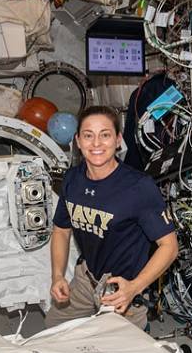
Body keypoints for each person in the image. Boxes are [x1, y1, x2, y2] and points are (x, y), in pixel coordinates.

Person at [45, 106, 179, 329]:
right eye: (88, 135)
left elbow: (169, 247)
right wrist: (58, 276)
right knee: (52, 334)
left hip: (122, 290)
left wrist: (135, 287)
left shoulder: (138, 187)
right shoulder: (72, 179)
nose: (96, 144)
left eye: (105, 135)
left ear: (118, 140)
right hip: (85, 280)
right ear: (78, 141)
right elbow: (61, 230)